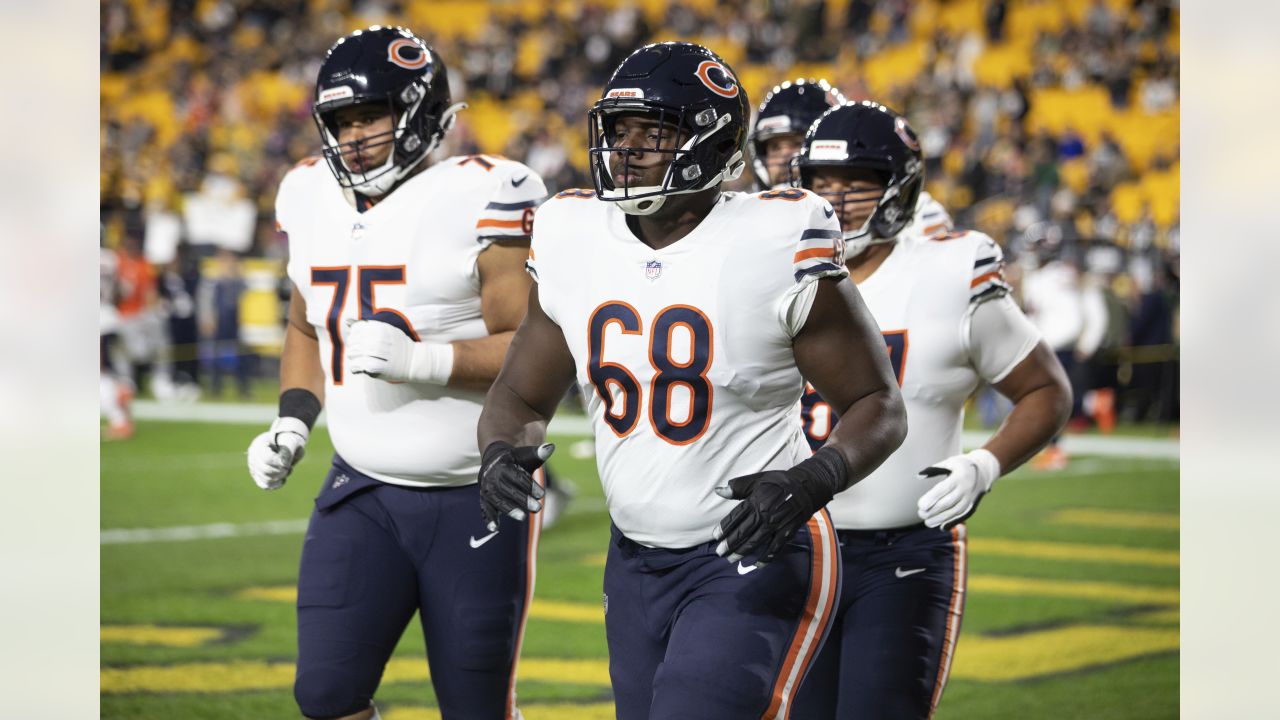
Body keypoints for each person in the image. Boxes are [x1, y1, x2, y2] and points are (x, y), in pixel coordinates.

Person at [475, 42, 907, 720]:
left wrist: (810, 482)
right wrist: (501, 450)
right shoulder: (572, 233)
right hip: (633, 561)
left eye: (657, 131)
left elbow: (877, 402)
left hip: (755, 546)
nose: (630, 149)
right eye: (620, 131)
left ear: (713, 142)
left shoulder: (775, 237)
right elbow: (520, 395)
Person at [244, 26, 548, 720]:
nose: (353, 138)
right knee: (324, 695)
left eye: (370, 117)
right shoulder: (305, 192)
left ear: (419, 112)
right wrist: (293, 419)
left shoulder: (485, 192)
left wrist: (426, 361)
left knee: (477, 708)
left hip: (473, 493)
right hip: (362, 490)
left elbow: (534, 345)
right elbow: (303, 325)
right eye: (342, 121)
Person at [787, 101, 1072, 718]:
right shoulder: (773, 266)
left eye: (855, 186)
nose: (833, 202)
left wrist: (985, 464)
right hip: (789, 546)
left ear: (898, 187)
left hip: (902, 552)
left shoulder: (948, 268)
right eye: (820, 184)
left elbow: (1045, 389)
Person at [748, 79, 953, 240]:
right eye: (774, 147)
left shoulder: (917, 217)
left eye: (797, 142)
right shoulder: (753, 219)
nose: (784, 158)